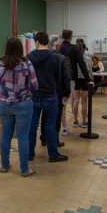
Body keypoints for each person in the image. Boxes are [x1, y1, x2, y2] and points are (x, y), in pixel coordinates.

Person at [0, 37, 38, 177]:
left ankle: (5, 166)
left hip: (5, 105)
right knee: (23, 137)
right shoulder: (26, 64)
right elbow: (35, 85)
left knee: (6, 135)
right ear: (20, 48)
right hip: (23, 104)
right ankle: (24, 170)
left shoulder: (0, 64)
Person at [27, 31, 68, 163]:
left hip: (33, 96)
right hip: (51, 96)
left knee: (32, 126)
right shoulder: (56, 58)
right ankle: (53, 154)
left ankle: (29, 154)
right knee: (50, 125)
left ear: (37, 42)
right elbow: (59, 77)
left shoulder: (28, 57)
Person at [40, 35, 71, 146]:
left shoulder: (41, 57)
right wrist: (68, 92)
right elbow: (65, 77)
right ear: (57, 45)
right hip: (57, 92)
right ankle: (54, 140)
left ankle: (43, 138)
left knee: (44, 116)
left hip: (42, 91)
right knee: (56, 117)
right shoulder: (61, 58)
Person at [60, 30, 93, 128]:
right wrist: (88, 79)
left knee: (73, 101)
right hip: (76, 78)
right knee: (84, 101)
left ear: (62, 37)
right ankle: (84, 122)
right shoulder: (74, 49)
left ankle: (72, 121)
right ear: (71, 37)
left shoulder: (59, 48)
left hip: (64, 79)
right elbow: (82, 64)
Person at [72, 43, 93, 128]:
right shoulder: (88, 59)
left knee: (76, 101)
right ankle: (84, 121)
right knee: (84, 101)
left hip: (76, 80)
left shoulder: (73, 59)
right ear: (85, 49)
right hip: (85, 80)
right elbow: (90, 72)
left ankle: (75, 120)